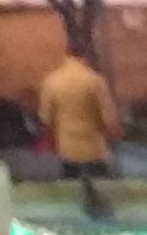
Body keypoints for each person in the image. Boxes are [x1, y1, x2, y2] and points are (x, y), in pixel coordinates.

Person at [37, 44, 121, 218]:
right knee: (100, 189)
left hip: (66, 148)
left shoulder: (52, 81)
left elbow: (45, 118)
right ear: (86, 57)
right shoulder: (95, 81)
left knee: (71, 195)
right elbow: (109, 117)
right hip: (94, 148)